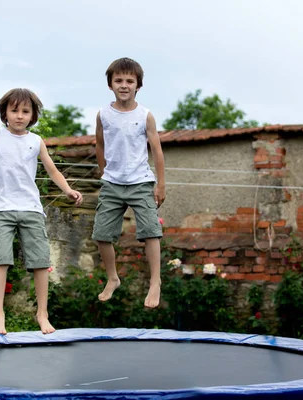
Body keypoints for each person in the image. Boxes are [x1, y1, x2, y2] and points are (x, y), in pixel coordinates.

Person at [0, 88, 83, 335]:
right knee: (0, 259)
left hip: (31, 209)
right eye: (14, 110)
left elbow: (53, 171)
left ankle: (42, 314)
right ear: (5, 113)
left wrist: (67, 190)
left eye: (25, 111)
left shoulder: (36, 141)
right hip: (0, 209)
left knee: (40, 262)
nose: (19, 116)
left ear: (32, 116)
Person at [93, 57, 166, 308]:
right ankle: (113, 278)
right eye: (119, 80)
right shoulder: (103, 114)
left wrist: (161, 184)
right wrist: (104, 173)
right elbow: (100, 144)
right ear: (110, 84)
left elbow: (156, 150)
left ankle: (155, 282)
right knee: (102, 234)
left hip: (140, 182)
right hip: (112, 183)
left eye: (129, 81)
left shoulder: (145, 115)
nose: (124, 85)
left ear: (138, 85)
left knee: (150, 232)